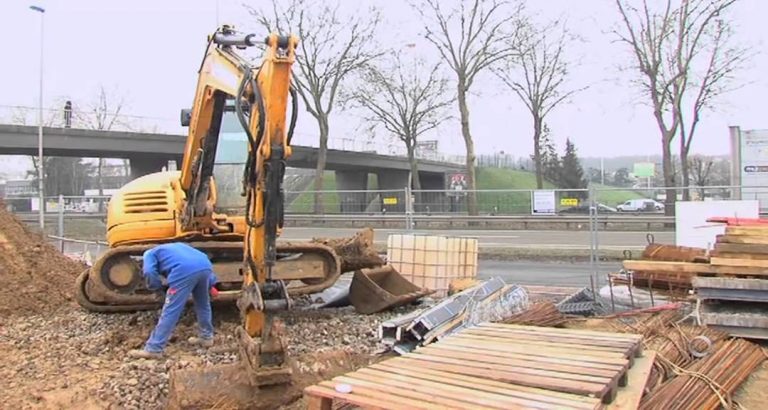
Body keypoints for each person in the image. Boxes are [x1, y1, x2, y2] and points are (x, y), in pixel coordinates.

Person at [128, 243, 219, 359]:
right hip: (205, 266)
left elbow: (149, 272)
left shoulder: (149, 254)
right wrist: (211, 285)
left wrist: (156, 288)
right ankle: (206, 337)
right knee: (203, 304)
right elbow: (199, 261)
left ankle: (154, 348)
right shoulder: (175, 248)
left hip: (183, 269)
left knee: (171, 309)